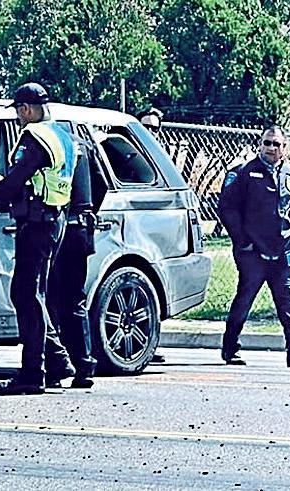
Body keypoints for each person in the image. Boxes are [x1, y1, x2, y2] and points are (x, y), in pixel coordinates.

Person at [0, 82, 76, 395]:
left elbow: (14, 185)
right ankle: (57, 362)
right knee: (34, 294)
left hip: (37, 224)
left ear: (25, 109)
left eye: (18, 112)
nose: (18, 117)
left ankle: (31, 375)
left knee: (25, 295)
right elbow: (33, 179)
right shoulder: (62, 135)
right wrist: (7, 188)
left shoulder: (33, 136)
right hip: (55, 219)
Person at [218, 126, 290, 368]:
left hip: (282, 250)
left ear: (284, 148)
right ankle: (230, 348)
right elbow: (228, 209)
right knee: (244, 299)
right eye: (266, 143)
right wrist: (243, 242)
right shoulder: (244, 172)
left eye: (276, 144)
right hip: (252, 252)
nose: (270, 148)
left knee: (287, 300)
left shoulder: (289, 173)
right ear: (260, 144)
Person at [46, 139, 103, 388]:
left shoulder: (47, 141)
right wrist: (86, 209)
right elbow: (101, 183)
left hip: (57, 226)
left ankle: (55, 367)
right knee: (74, 300)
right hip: (80, 227)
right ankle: (84, 366)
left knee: (49, 299)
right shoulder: (83, 145)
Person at [136, 106, 167, 364]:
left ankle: (148, 344)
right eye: (145, 127)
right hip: (131, 226)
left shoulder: (160, 157)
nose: (150, 132)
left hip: (154, 231)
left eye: (154, 128)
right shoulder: (126, 153)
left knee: (151, 288)